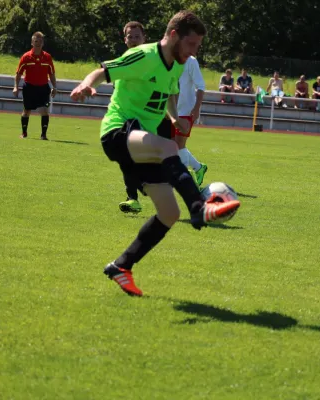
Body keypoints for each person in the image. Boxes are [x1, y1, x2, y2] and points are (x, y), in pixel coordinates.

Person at [70, 11, 241, 297]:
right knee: (168, 146)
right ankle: (200, 207)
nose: (194, 52)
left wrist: (175, 119)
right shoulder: (143, 56)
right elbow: (103, 70)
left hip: (141, 142)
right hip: (118, 131)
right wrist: (87, 84)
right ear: (174, 35)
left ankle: (122, 266)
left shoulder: (176, 65)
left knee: (170, 213)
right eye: (191, 45)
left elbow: (166, 97)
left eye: (197, 46)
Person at [117, 21, 147, 214]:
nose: (134, 40)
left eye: (137, 36)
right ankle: (133, 197)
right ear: (125, 40)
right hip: (126, 117)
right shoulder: (122, 61)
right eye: (130, 37)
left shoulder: (151, 61)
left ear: (144, 39)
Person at [13, 32, 57, 140]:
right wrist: (15, 86)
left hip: (43, 88)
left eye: (40, 41)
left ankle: (43, 135)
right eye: (36, 41)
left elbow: (51, 73)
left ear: (43, 43)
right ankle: (24, 133)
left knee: (44, 111)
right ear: (32, 42)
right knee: (27, 111)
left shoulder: (47, 57)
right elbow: (18, 73)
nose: (38, 43)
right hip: (29, 87)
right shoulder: (26, 57)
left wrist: (54, 87)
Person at [172, 55, 208, 186]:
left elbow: (201, 86)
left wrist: (197, 108)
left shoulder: (191, 61)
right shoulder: (167, 56)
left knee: (179, 145)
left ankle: (184, 179)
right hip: (171, 110)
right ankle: (198, 168)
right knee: (173, 144)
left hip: (187, 110)